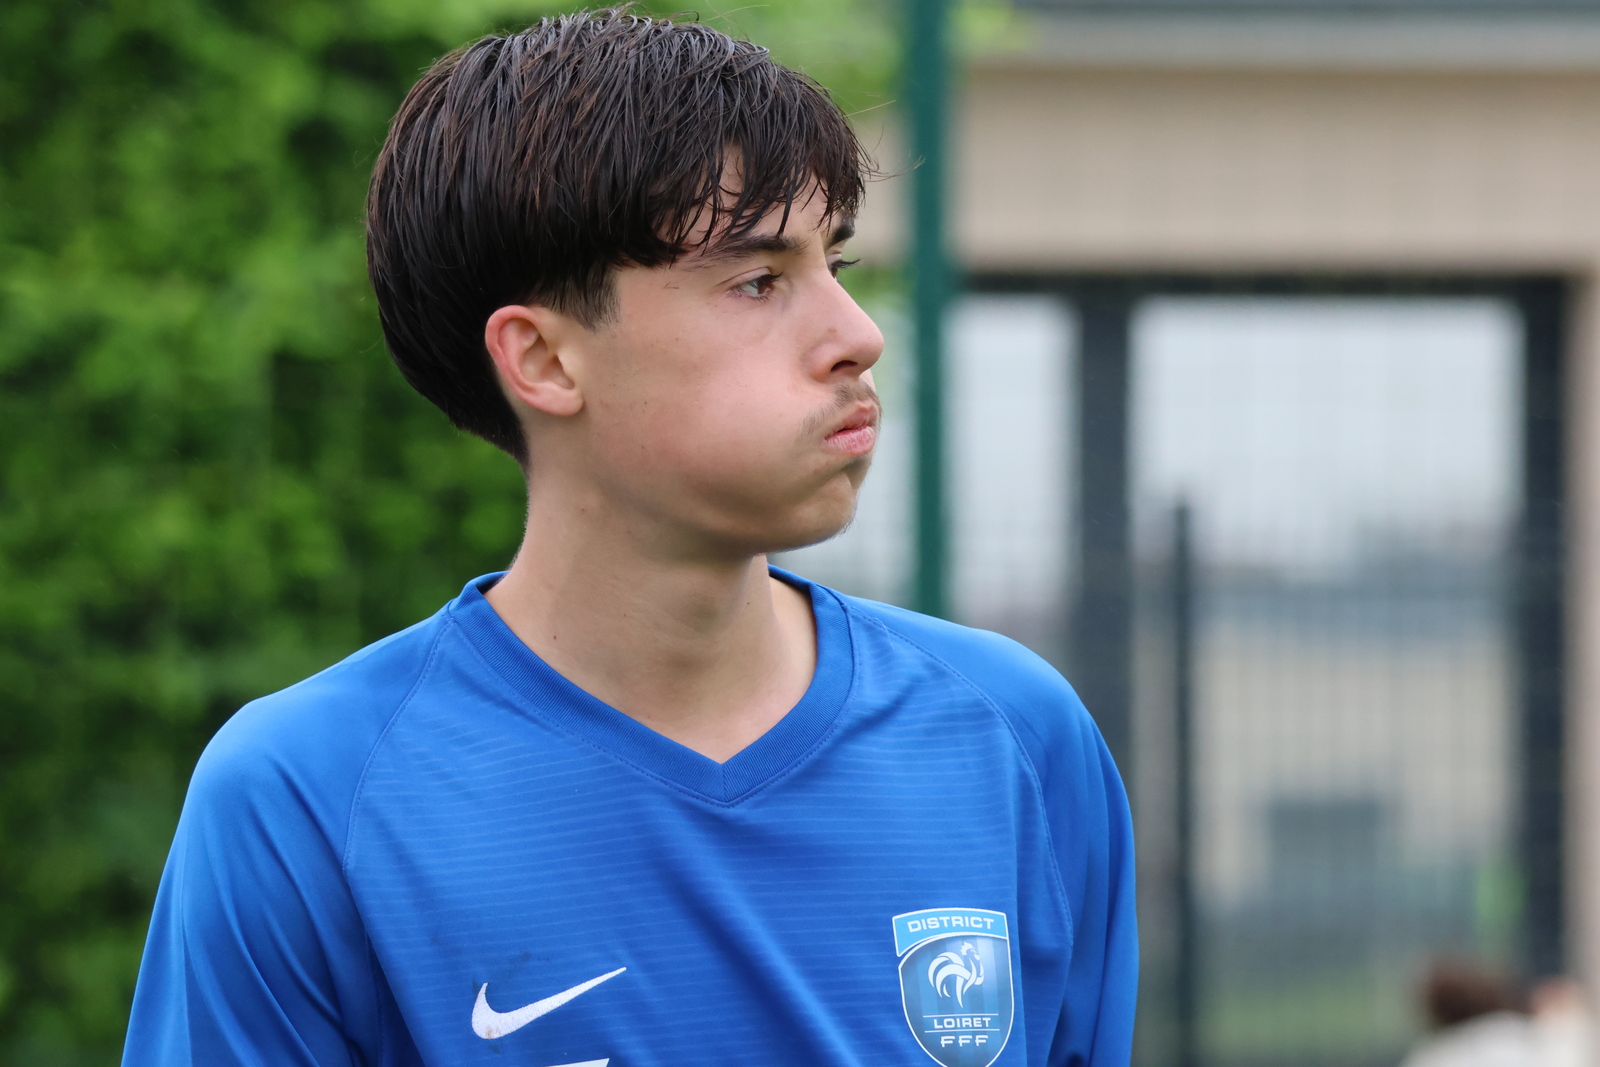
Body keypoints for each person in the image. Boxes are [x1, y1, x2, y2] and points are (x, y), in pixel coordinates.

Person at [119, 11, 1137, 1067]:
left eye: (833, 263)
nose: (858, 334)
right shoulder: (305, 798)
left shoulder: (1015, 736)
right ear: (544, 361)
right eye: (758, 280)